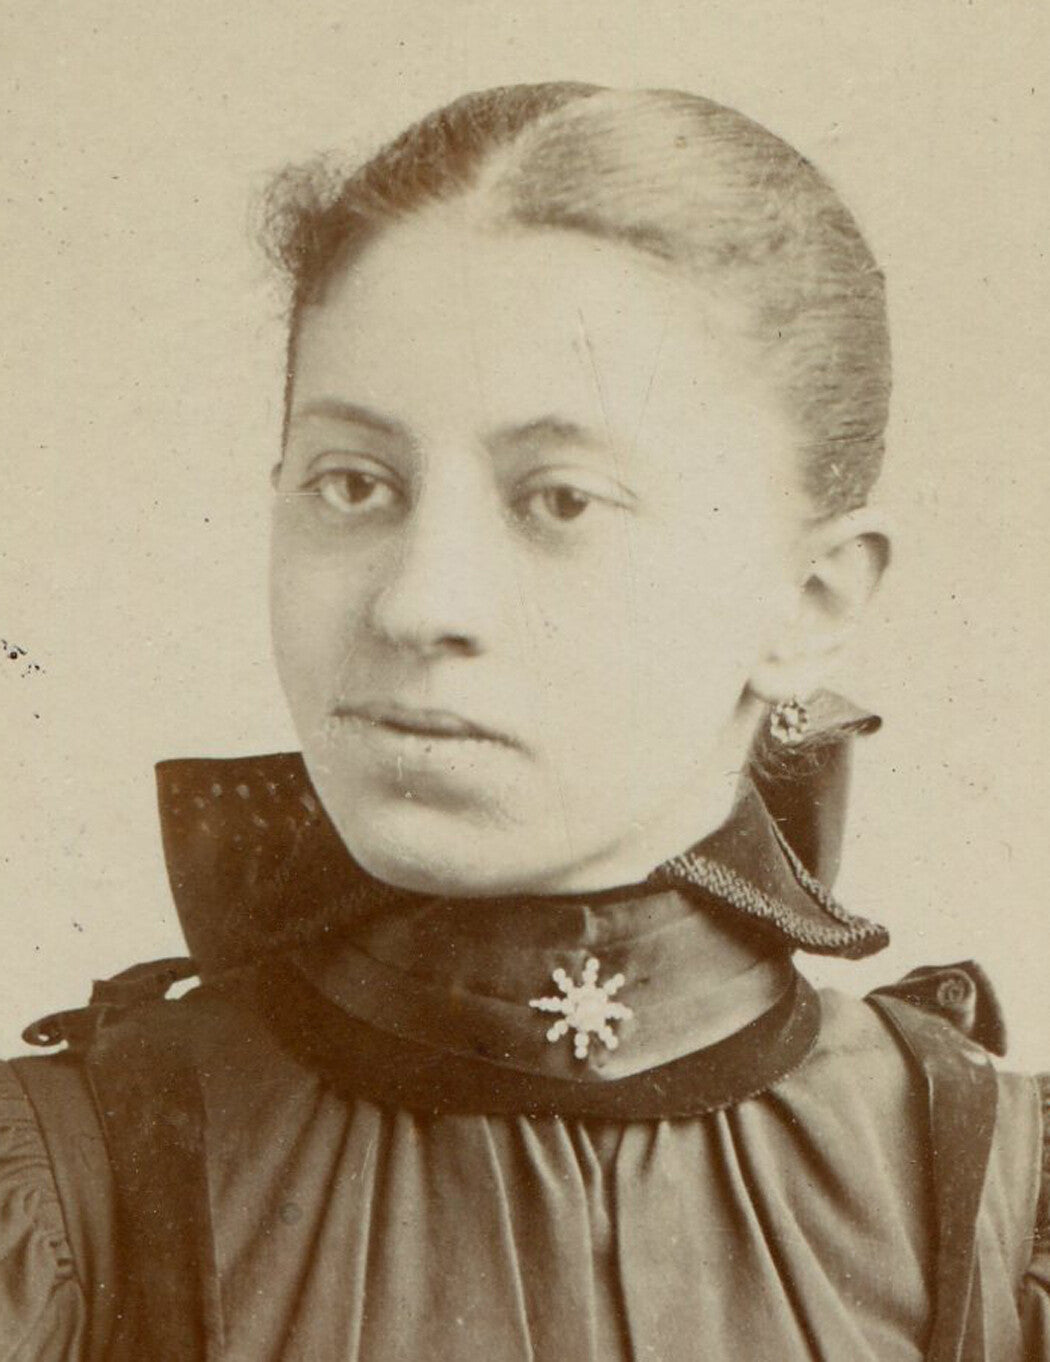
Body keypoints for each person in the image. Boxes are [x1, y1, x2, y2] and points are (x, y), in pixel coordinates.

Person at [2, 82, 1046, 1360]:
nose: (419, 602)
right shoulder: (71, 1190)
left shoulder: (995, 1205)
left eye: (559, 501)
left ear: (813, 600)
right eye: (352, 483)